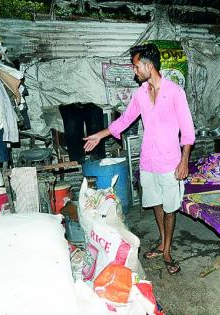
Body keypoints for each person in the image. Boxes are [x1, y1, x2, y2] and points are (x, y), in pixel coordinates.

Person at [83, 43, 195, 275]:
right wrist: (100, 135)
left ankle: (167, 252)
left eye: (136, 66)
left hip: (170, 162)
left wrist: (184, 161)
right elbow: (125, 120)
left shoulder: (175, 92)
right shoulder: (141, 94)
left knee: (170, 207)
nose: (134, 71)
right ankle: (162, 242)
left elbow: (188, 131)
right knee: (156, 202)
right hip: (149, 161)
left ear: (148, 65)